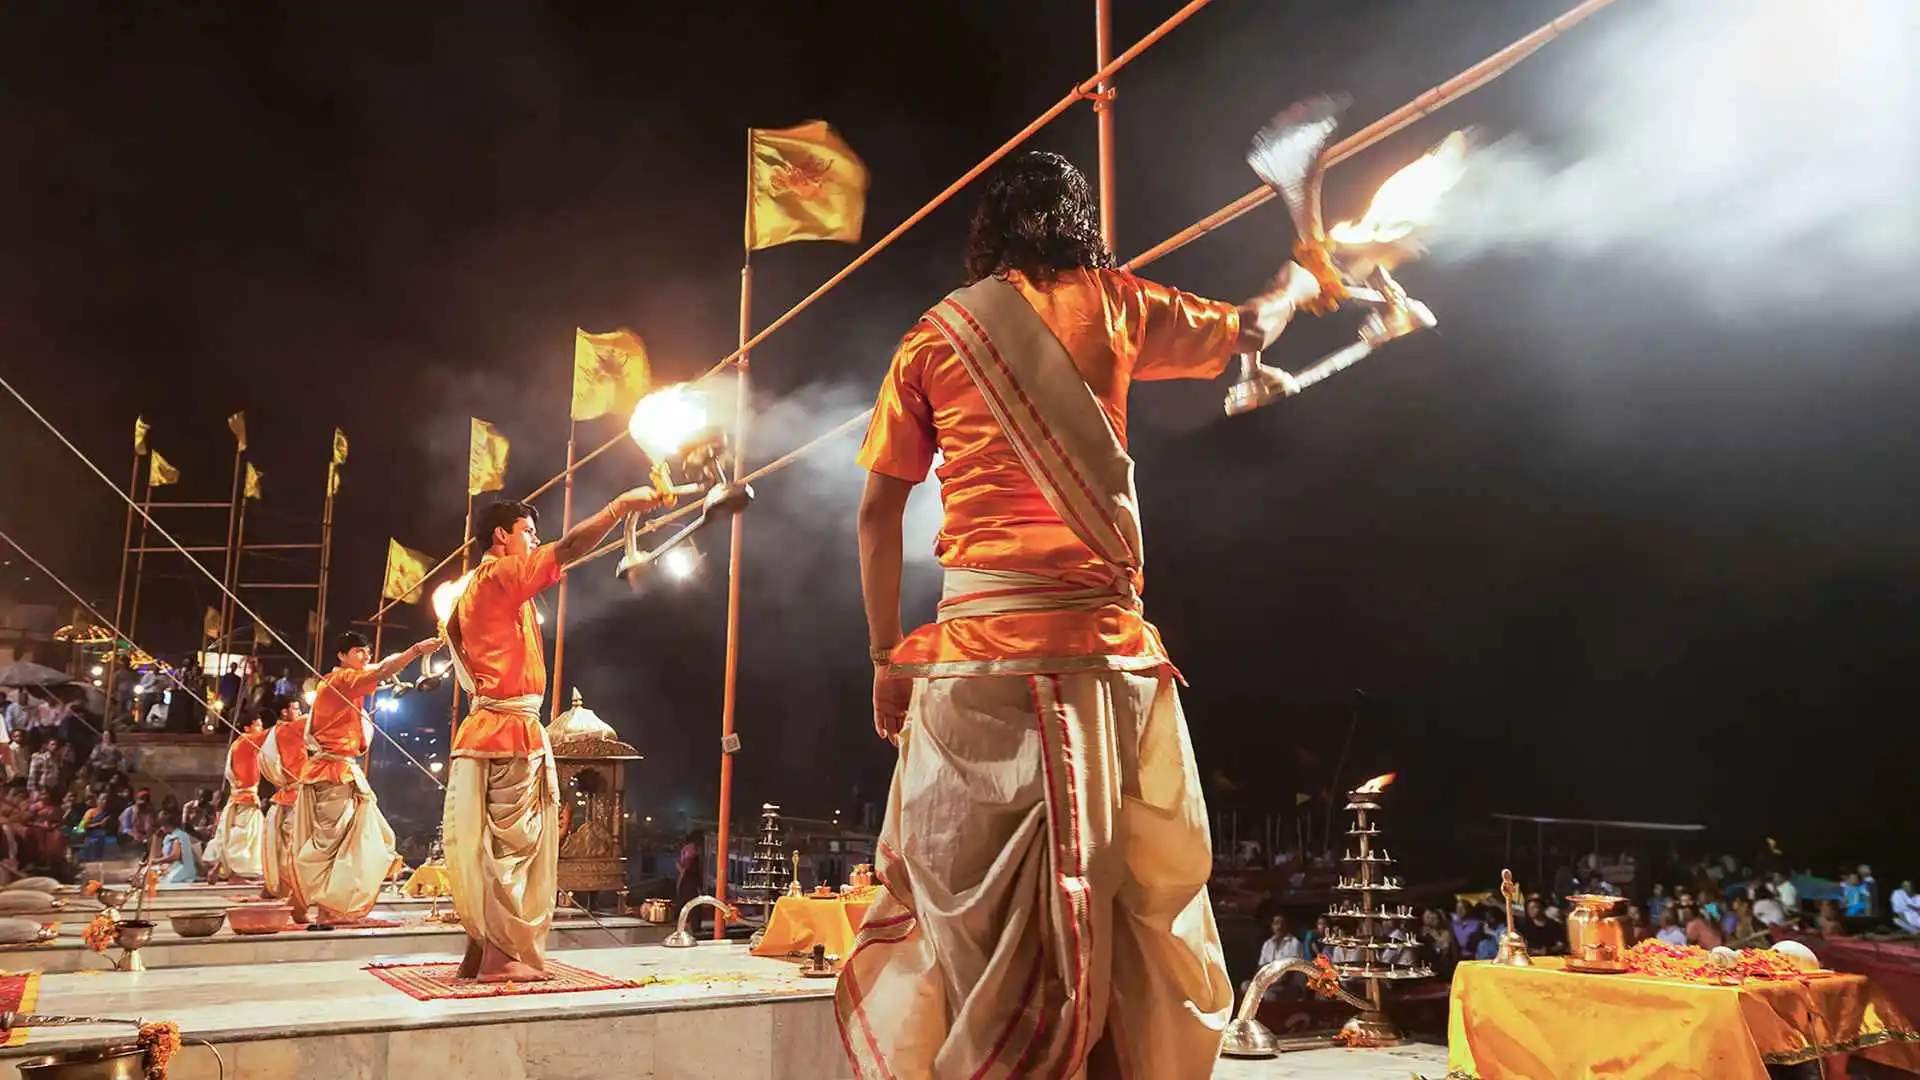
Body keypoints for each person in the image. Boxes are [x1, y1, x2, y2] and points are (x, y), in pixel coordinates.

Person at [836, 150, 1324, 1079]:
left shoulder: (935, 337)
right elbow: (1252, 326)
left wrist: (884, 657)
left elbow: (876, 513)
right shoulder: (1118, 305)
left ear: (990, 232)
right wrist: (1303, 277)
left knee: (975, 923)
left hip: (975, 668)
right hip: (1103, 669)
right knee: (1117, 905)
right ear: (1078, 224)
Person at [444, 489, 666, 983]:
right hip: (507, 730)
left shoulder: (484, 587)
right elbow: (567, 548)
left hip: (496, 727)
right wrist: (618, 509)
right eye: (527, 532)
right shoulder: (499, 575)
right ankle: (500, 958)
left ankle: (481, 951)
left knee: (492, 844)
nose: (535, 541)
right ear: (500, 536)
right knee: (512, 848)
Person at [290, 631, 441, 926]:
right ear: (342, 655)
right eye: (359, 651)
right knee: (334, 843)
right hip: (334, 772)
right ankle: (323, 906)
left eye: (367, 651)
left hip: (339, 770)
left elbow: (379, 670)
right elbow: (383, 669)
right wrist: (416, 650)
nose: (365, 656)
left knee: (354, 838)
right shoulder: (342, 679)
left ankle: (305, 902)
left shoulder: (340, 683)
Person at [257, 694, 309, 903]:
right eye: (296, 709)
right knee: (296, 843)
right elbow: (321, 719)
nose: (300, 712)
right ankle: (294, 886)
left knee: (285, 843)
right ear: (284, 712)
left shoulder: (274, 732)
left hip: (287, 792)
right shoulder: (292, 728)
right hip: (296, 794)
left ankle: (282, 884)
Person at [204, 716, 268, 882]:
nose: (260, 729)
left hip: (238, 797)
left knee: (230, 834)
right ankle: (236, 873)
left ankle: (220, 866)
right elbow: (271, 735)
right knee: (244, 835)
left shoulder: (237, 744)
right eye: (258, 725)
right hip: (246, 798)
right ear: (247, 728)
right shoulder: (247, 741)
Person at [152, 808, 199, 885]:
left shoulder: (178, 836)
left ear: (166, 825)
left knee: (163, 882)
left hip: (183, 869)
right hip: (174, 867)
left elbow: (175, 856)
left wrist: (157, 861)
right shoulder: (169, 836)